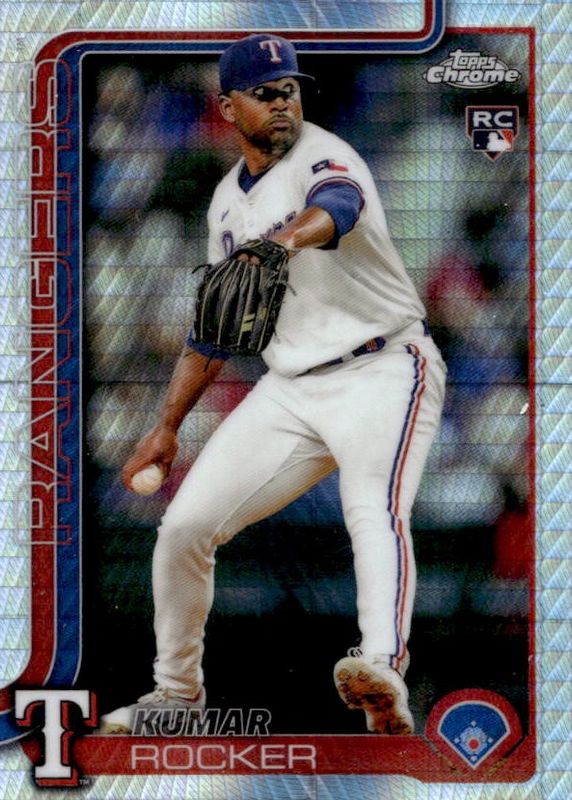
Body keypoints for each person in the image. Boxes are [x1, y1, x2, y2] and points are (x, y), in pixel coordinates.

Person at [100, 33, 446, 735]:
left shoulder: (323, 152)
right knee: (183, 528)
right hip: (291, 387)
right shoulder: (226, 205)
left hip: (384, 366)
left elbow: (339, 204)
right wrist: (166, 427)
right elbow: (211, 332)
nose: (283, 101)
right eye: (264, 92)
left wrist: (280, 242)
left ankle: (382, 667)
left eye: (289, 88)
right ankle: (176, 695)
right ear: (229, 108)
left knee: (373, 511)